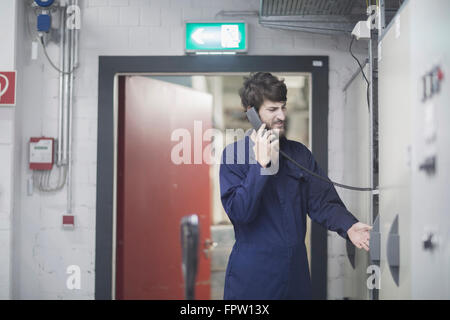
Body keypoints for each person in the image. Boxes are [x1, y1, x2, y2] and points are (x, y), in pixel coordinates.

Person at [219, 72, 372, 300]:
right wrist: (261, 165)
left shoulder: (299, 154)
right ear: (252, 112)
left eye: (283, 107)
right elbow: (240, 212)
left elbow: (322, 201)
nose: (281, 115)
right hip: (254, 278)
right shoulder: (233, 156)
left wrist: (348, 226)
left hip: (295, 274)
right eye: (272, 110)